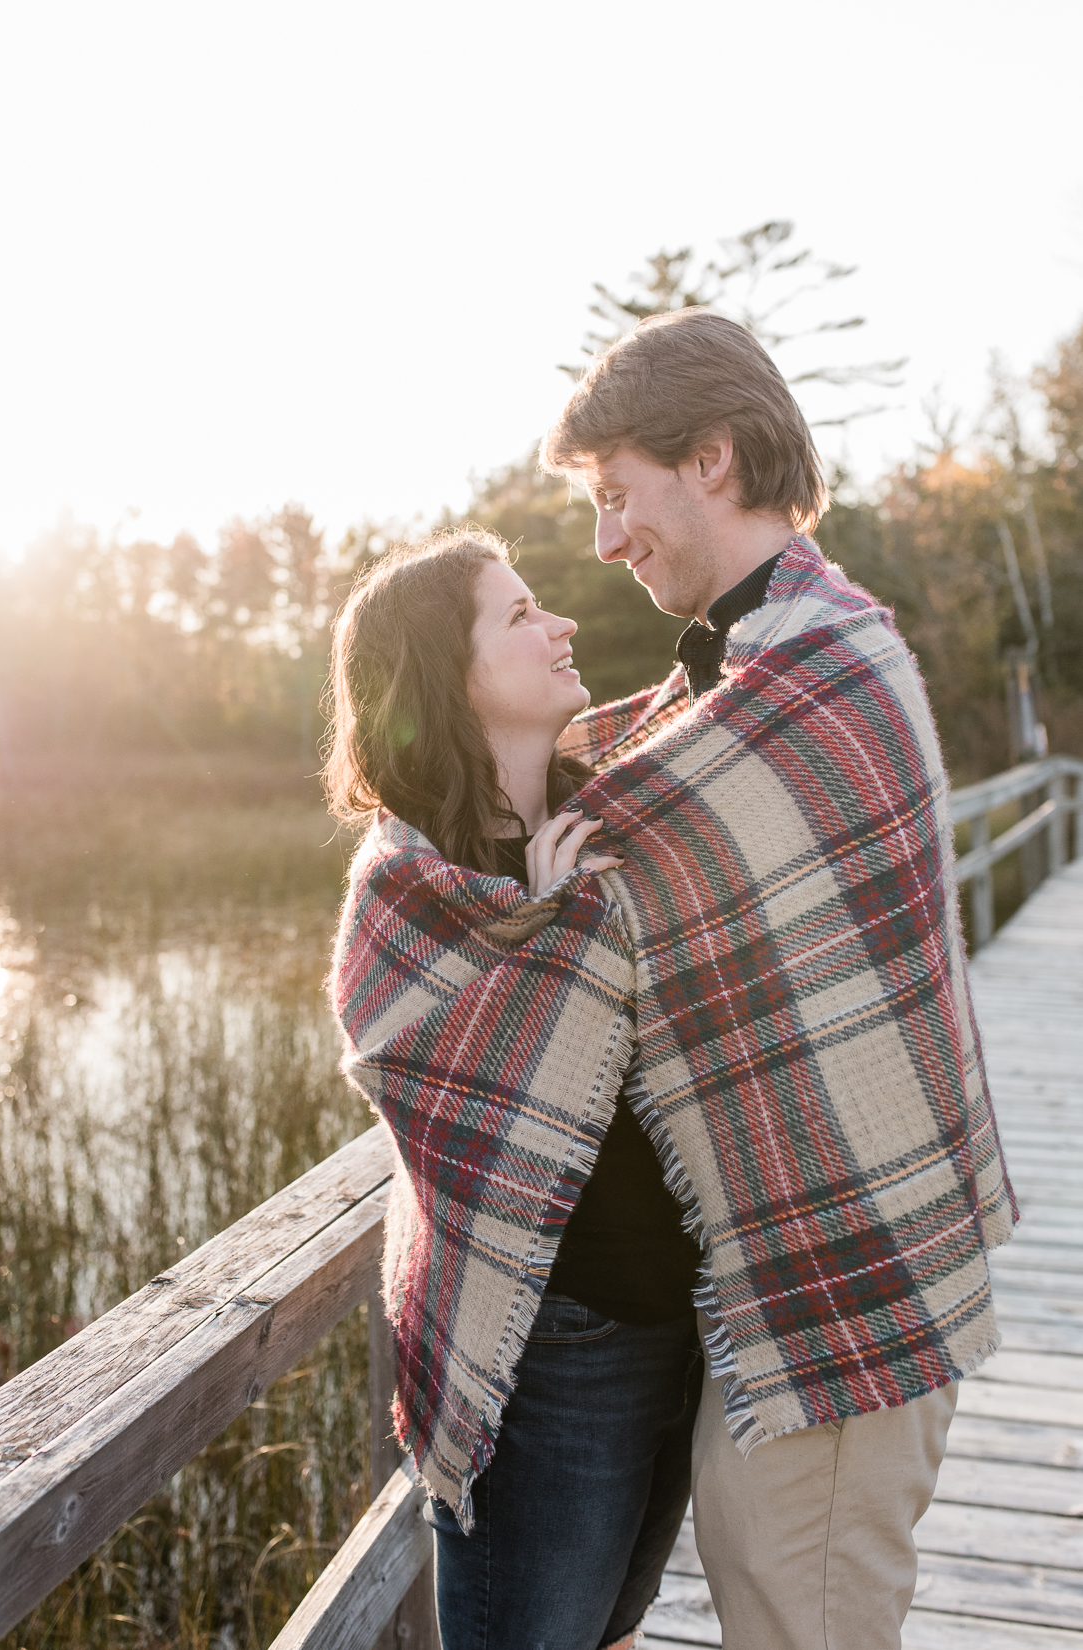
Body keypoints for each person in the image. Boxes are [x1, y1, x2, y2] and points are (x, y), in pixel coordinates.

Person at [538, 307, 1017, 1650]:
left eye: (615, 494)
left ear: (713, 457)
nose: (604, 539)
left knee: (800, 1617)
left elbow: (594, 854)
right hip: (816, 1273)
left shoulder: (812, 670)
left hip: (842, 1288)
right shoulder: (761, 659)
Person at [326, 531, 704, 1650]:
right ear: (448, 675)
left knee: (615, 1633)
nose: (563, 625)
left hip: (679, 1320)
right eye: (522, 614)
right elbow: (394, 1055)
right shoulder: (412, 886)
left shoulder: (622, 813)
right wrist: (546, 936)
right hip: (547, 1348)